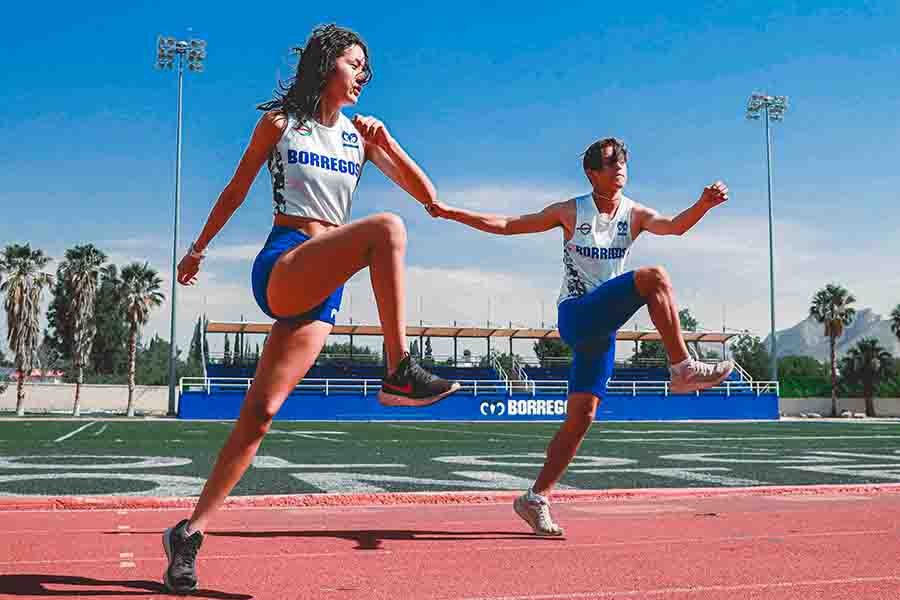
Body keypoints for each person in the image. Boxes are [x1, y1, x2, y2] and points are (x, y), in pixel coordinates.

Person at [161, 24, 459, 594]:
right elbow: (235, 188)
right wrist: (198, 248)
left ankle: (188, 535)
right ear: (326, 66)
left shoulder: (360, 136)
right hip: (284, 261)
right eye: (354, 63)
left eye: (367, 68)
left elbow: (429, 198)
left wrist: (388, 141)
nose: (363, 75)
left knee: (260, 416)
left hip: (325, 287)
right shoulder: (281, 124)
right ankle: (399, 371)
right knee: (386, 231)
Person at [428, 137, 734, 536]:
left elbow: (674, 227)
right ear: (591, 172)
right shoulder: (571, 211)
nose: (619, 167)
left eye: (622, 161)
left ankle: (534, 498)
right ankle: (683, 368)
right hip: (576, 315)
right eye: (609, 163)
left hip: (602, 330)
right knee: (654, 277)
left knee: (581, 417)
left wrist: (703, 206)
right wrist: (453, 213)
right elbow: (507, 225)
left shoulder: (635, 213)